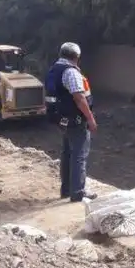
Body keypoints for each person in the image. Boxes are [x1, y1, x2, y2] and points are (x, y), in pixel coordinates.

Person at [44, 42, 98, 202]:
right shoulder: (71, 72)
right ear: (77, 57)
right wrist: (90, 118)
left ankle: (66, 190)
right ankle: (78, 192)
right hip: (76, 120)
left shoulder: (53, 70)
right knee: (79, 156)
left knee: (67, 154)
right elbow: (79, 97)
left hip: (62, 119)